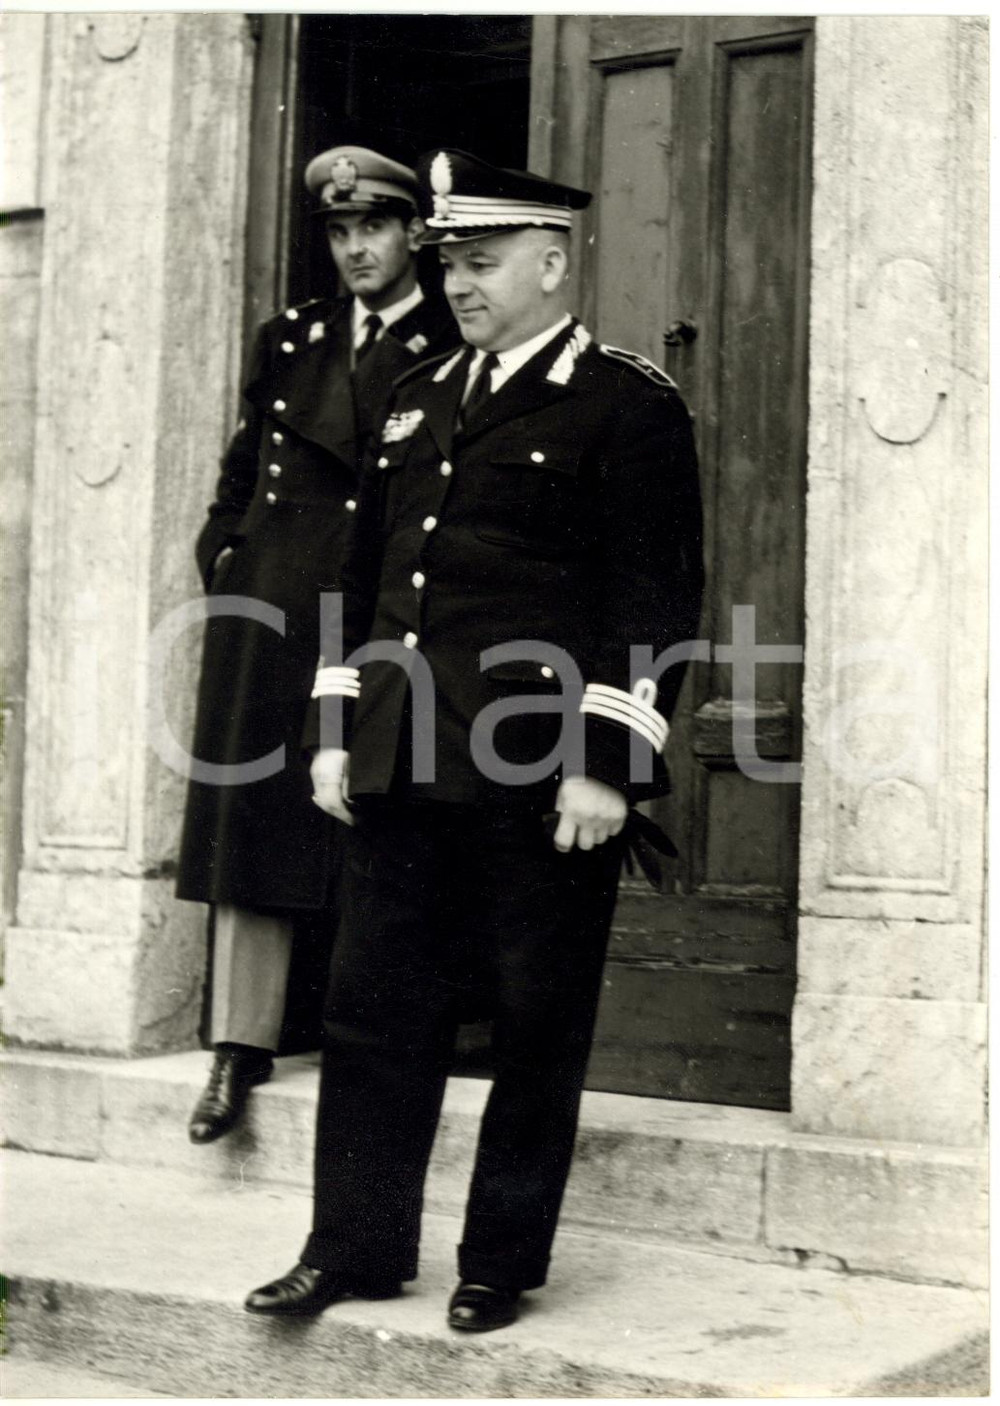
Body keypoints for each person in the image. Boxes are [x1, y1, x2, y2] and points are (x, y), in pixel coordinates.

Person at [244, 149, 704, 1330]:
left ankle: (498, 1259)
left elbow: (654, 601)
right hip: (403, 761)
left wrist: (609, 762)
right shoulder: (414, 397)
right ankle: (353, 1243)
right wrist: (337, 732)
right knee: (369, 1013)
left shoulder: (626, 403)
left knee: (534, 1024)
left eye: (483, 261)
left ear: (551, 262)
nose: (457, 281)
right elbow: (363, 587)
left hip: (540, 772)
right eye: (449, 260)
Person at [176, 145, 458, 1145]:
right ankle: (237, 1047)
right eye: (339, 234)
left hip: (380, 603)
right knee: (251, 809)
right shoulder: (289, 337)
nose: (355, 249)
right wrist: (228, 551)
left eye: (373, 228)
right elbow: (244, 459)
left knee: (370, 802)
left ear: (416, 231)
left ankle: (360, 1025)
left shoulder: (452, 333)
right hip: (276, 599)